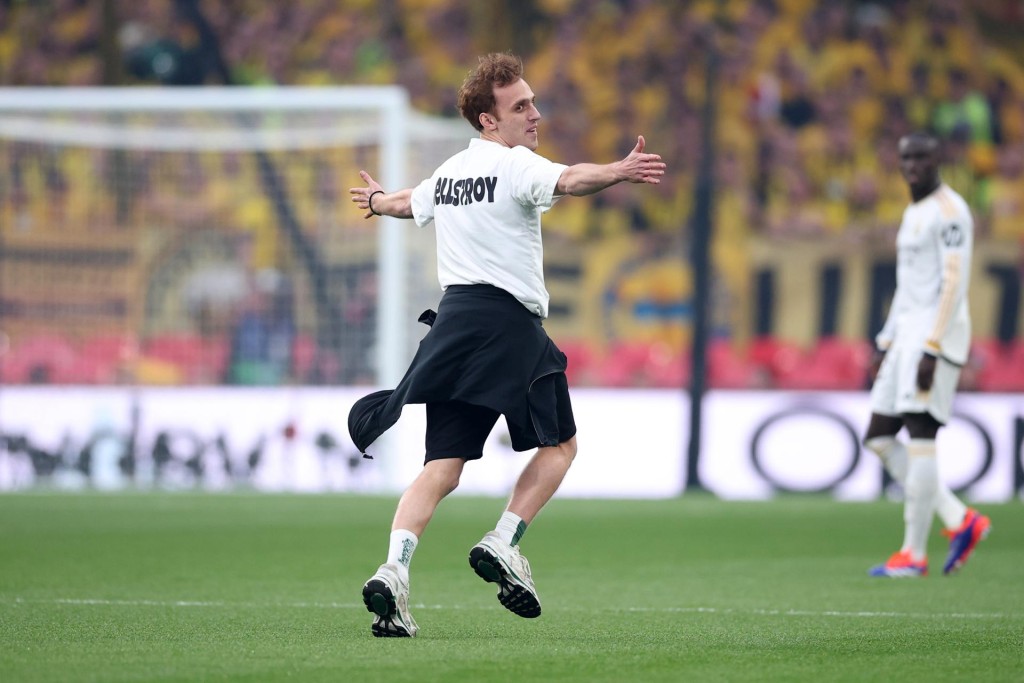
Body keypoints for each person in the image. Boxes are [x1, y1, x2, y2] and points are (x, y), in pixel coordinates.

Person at [347, 52, 665, 637]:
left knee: (441, 467)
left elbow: (403, 202)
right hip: (507, 324)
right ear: (488, 121)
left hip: (452, 325)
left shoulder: (447, 175)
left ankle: (392, 571)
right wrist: (619, 170)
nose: (534, 114)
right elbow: (570, 179)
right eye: (521, 106)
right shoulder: (516, 165)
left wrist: (373, 201)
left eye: (533, 102)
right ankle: (504, 541)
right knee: (562, 446)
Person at [864, 131, 990, 578]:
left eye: (922, 157)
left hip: (934, 340)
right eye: (906, 157)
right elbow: (908, 286)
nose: (913, 165)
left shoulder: (951, 211)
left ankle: (913, 554)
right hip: (906, 339)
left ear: (939, 161)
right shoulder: (913, 211)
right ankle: (960, 519)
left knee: (920, 439)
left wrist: (932, 348)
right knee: (878, 438)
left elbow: (953, 285)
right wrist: (885, 341)